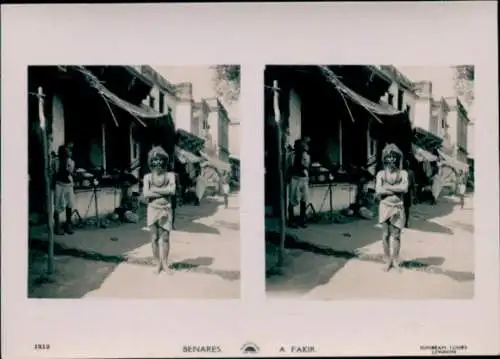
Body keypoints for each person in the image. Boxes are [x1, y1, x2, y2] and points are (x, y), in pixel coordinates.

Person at [376, 143, 409, 272]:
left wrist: (387, 188)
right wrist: (396, 190)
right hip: (384, 206)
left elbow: (405, 188)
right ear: (384, 158)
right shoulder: (380, 174)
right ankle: (387, 260)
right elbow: (378, 190)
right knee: (385, 235)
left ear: (397, 158)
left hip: (398, 207)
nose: (391, 160)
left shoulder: (403, 173)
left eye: (393, 157)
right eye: (388, 157)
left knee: (396, 235)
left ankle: (395, 260)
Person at [142, 146, 176, 274]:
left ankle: (165, 264)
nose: (158, 162)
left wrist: (154, 190)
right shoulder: (147, 177)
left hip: (166, 209)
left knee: (166, 237)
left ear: (165, 161)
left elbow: (172, 191)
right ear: (151, 161)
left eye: (161, 159)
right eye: (155, 159)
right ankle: (157, 264)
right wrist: (164, 192)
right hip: (152, 209)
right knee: (154, 237)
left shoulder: (170, 175)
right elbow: (146, 194)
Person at [52, 143, 76, 235]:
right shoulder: (56, 161)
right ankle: (57, 226)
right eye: (67, 150)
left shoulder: (71, 162)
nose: (69, 152)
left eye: (69, 151)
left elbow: (70, 172)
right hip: (59, 185)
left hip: (68, 185)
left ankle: (68, 225)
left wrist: (67, 163)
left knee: (69, 204)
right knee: (57, 205)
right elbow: (54, 173)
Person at [287, 137, 311, 228]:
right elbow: (289, 167)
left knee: (304, 199)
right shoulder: (292, 155)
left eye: (303, 145)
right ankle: (291, 220)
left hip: (304, 179)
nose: (302, 147)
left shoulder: (306, 156)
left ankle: (302, 219)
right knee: (292, 199)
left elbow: (307, 166)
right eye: (300, 145)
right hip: (295, 178)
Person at [403, 160, 415, 228]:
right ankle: (405, 222)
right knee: (406, 209)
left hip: (404, 192)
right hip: (405, 192)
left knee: (405, 208)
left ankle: (405, 222)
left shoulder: (401, 172)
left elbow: (412, 184)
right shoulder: (411, 172)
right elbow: (413, 184)